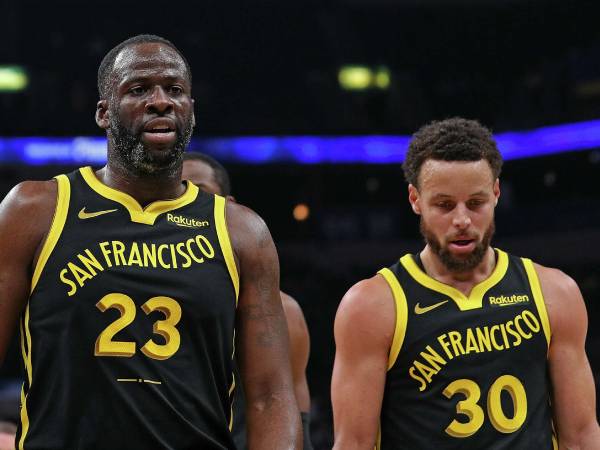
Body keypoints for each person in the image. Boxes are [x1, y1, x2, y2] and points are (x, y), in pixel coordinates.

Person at [0, 34, 301, 449]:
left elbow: (271, 395)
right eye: (138, 89)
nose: (161, 101)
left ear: (191, 112)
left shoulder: (242, 232)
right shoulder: (35, 210)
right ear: (104, 113)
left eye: (174, 90)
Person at [331, 117, 600, 449]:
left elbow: (582, 435)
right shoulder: (371, 305)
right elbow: (353, 444)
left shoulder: (554, 293)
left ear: (497, 193)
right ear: (415, 199)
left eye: (475, 203)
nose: (462, 220)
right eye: (444, 205)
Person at [182, 152, 313, 449]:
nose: (186, 203)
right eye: (176, 192)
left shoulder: (284, 312)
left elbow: (294, 425)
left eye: (199, 192)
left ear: (229, 208)